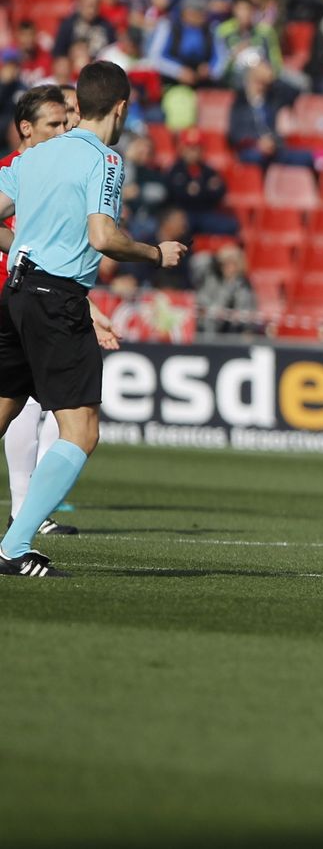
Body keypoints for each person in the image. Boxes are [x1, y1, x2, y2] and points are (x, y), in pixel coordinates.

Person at [0, 63, 187, 576]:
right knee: (80, 431)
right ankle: (14, 548)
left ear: (78, 104)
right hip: (57, 299)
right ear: (122, 107)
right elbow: (103, 237)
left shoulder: (33, 155)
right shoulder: (105, 161)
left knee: (3, 411)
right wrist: (153, 254)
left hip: (15, 292)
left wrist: (24, 249)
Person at [1, 86, 117, 540]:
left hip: (27, 294)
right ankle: (20, 525)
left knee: (18, 407)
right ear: (27, 129)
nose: (65, 130)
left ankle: (23, 514)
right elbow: (55, 250)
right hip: (28, 300)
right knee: (56, 419)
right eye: (55, 123)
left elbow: (52, 253)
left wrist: (86, 306)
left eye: (68, 121)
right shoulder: (21, 168)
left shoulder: (48, 166)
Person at [162, 130, 236, 236]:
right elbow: (177, 194)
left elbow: (220, 191)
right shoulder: (175, 169)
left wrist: (196, 190)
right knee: (178, 226)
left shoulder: (209, 170)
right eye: (190, 147)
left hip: (205, 213)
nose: (194, 151)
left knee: (231, 225)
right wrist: (206, 189)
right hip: (183, 213)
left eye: (197, 147)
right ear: (183, 149)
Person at [195, 243, 257, 336]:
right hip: (209, 330)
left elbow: (246, 316)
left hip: (234, 333)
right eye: (225, 264)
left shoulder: (244, 286)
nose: (228, 267)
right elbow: (202, 302)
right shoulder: (213, 281)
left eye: (232, 263)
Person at [53, 0, 118, 62]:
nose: (91, 9)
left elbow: (113, 52)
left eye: (95, 4)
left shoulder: (107, 26)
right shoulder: (67, 26)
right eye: (88, 4)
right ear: (80, 4)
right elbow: (58, 55)